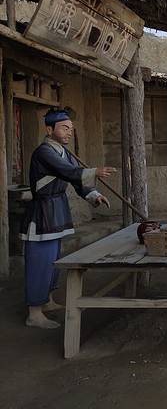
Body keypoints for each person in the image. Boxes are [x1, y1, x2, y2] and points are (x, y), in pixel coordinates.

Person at [20, 109, 114, 329]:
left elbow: (76, 179)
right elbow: (69, 172)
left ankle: (48, 301)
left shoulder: (64, 152)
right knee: (40, 263)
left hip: (57, 211)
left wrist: (94, 195)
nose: (69, 132)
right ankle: (34, 313)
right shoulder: (44, 152)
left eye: (71, 128)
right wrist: (94, 172)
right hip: (42, 212)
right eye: (64, 128)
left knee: (53, 261)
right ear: (49, 129)